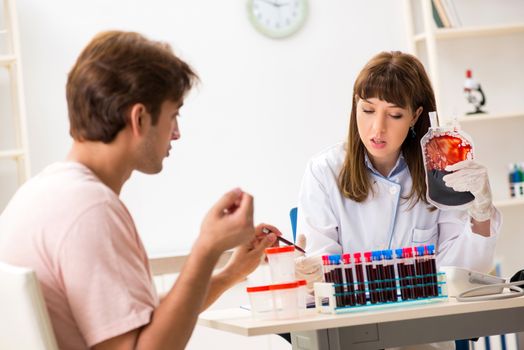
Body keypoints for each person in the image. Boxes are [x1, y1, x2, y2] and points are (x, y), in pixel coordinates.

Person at [0, 31, 281, 350]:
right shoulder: (91, 209)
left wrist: (230, 273)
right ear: (140, 118)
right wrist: (206, 249)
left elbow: (139, 322)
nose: (176, 134)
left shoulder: (40, 193)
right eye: (173, 116)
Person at [293, 51, 501, 348]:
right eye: (367, 110)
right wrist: (312, 273)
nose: (377, 129)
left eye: (394, 115)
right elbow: (325, 277)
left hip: (423, 337)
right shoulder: (324, 171)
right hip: (351, 336)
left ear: (416, 115)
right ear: (355, 105)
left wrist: (481, 211)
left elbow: (462, 275)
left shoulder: (439, 171)